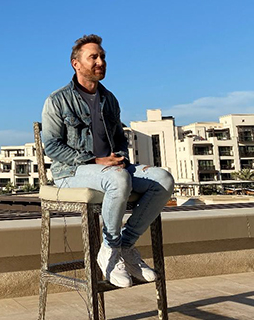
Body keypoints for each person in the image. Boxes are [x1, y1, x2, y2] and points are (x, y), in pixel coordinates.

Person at [41, 34, 174, 288]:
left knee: (164, 179)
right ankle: (110, 250)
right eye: (93, 57)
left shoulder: (109, 99)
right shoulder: (57, 100)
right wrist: (95, 160)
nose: (100, 62)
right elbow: (52, 146)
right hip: (71, 172)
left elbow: (120, 139)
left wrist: (120, 158)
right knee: (118, 179)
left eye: (102, 57)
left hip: (112, 170)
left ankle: (125, 245)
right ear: (76, 63)